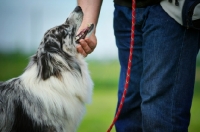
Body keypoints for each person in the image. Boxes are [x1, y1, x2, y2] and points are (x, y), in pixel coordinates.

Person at [76, 0, 200, 131]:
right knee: (128, 118)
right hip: (124, 9)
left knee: (160, 117)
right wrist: (87, 22)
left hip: (172, 9)